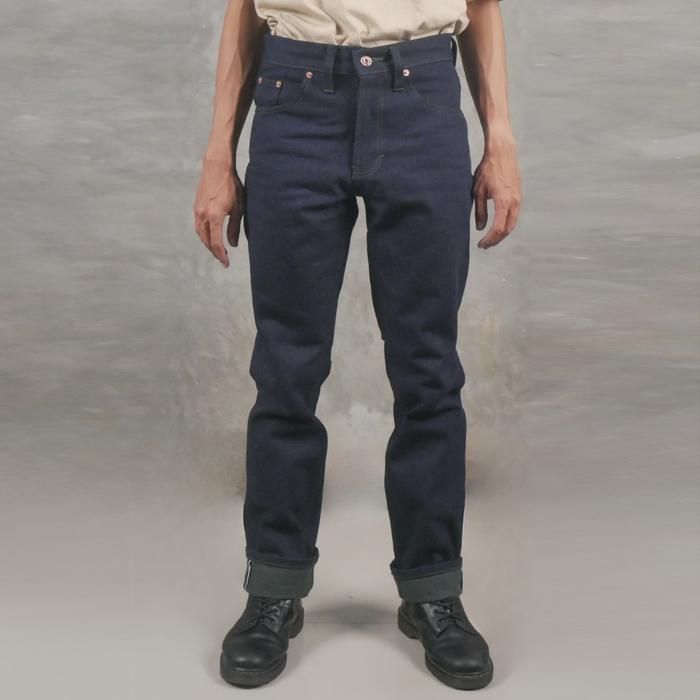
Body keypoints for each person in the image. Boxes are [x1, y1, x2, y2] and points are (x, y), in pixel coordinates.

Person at [193, 0, 521, 690]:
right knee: (286, 370)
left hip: (422, 100)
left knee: (429, 370)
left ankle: (433, 590)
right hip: (295, 102)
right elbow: (243, 11)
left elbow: (481, 4)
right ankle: (273, 590)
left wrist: (501, 138)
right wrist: (219, 153)